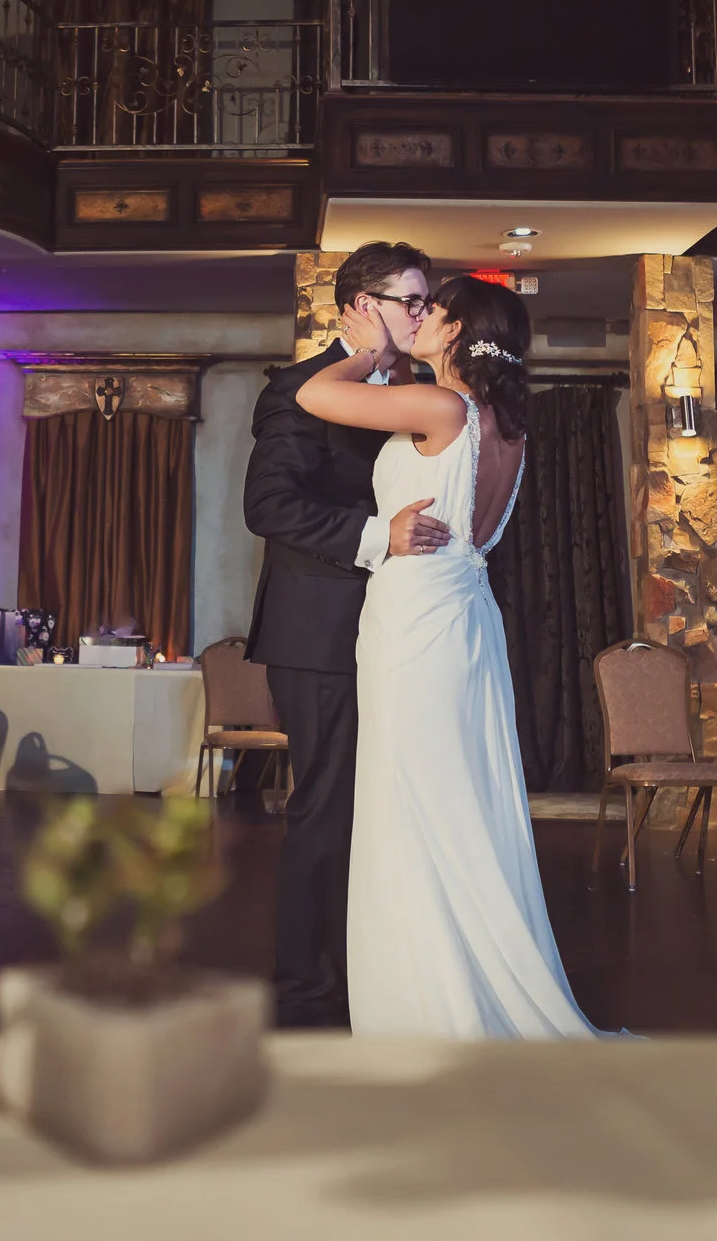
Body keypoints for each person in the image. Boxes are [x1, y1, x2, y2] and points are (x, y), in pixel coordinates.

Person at [295, 273, 600, 1038]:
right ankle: (457, 980)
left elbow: (313, 394)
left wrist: (368, 350)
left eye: (432, 310)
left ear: (459, 329)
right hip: (465, 618)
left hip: (416, 621)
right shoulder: (505, 427)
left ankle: (425, 1003)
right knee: (452, 799)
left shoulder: (442, 407)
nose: (420, 316)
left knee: (410, 802)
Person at [242, 241, 449, 1028]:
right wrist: (377, 537)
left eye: (427, 302)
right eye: (411, 301)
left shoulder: (418, 389)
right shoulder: (299, 388)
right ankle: (306, 986)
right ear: (363, 306)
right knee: (326, 808)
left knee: (382, 807)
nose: (423, 313)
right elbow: (269, 506)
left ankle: (372, 965)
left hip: (397, 631)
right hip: (319, 633)